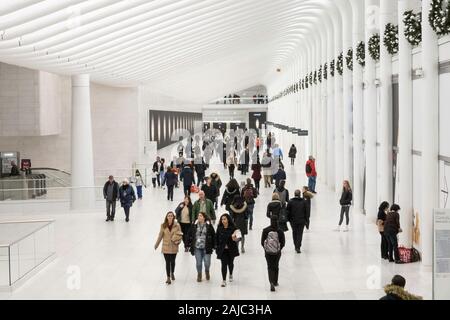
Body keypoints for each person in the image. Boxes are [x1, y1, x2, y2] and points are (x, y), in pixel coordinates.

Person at [154, 211, 183, 285]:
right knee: (167, 262)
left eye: (171, 216)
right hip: (166, 247)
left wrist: (179, 241)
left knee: (172, 261)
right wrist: (156, 245)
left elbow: (180, 234)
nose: (170, 217)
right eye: (168, 216)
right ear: (166, 217)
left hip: (174, 246)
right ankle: (168, 277)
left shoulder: (177, 225)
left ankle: (172, 272)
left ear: (173, 217)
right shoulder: (163, 225)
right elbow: (160, 235)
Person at [188, 212, 216, 282]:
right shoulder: (194, 225)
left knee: (207, 263)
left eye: (200, 216)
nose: (199, 217)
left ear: (204, 217)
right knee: (198, 263)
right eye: (198, 216)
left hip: (206, 247)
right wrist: (187, 244)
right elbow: (189, 234)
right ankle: (199, 274)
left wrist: (214, 245)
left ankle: (207, 271)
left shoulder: (209, 226)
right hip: (197, 247)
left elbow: (214, 236)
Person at [261, 216, 286, 292]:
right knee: (276, 266)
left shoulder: (265, 230)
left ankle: (271, 282)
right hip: (277, 252)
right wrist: (278, 249)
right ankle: (275, 281)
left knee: (270, 266)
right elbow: (283, 242)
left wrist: (266, 249)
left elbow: (262, 242)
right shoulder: (280, 231)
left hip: (268, 253)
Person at [216, 214, 240, 287]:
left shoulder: (233, 228)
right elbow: (216, 238)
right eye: (222, 219)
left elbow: (239, 237)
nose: (223, 221)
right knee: (223, 264)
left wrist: (235, 237)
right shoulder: (219, 228)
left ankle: (231, 273)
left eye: (224, 219)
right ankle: (223, 280)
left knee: (230, 263)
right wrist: (216, 247)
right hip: (223, 250)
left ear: (228, 220)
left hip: (231, 249)